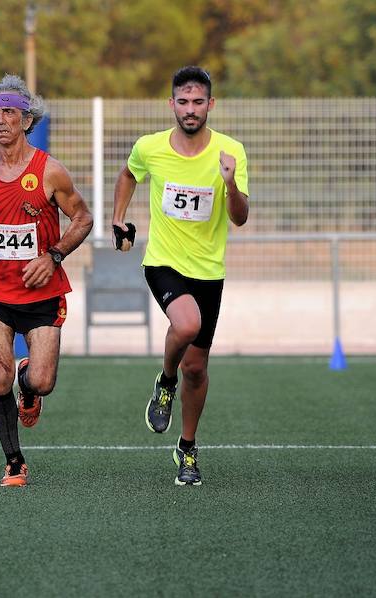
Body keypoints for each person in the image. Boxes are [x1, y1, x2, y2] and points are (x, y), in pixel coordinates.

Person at [0, 74, 93, 487]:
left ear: (28, 120)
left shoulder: (50, 172)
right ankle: (13, 462)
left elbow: (83, 218)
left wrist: (54, 254)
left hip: (42, 291)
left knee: (41, 380)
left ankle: (29, 389)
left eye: (9, 112)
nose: (1, 120)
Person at [112, 66, 249, 486]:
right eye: (183, 102)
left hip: (209, 271)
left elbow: (240, 218)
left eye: (199, 102)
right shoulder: (150, 147)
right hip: (164, 261)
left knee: (198, 369)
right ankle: (164, 381)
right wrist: (117, 220)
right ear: (171, 104)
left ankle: (187, 448)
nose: (191, 110)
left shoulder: (231, 152)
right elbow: (128, 174)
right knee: (186, 324)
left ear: (211, 104)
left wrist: (229, 184)